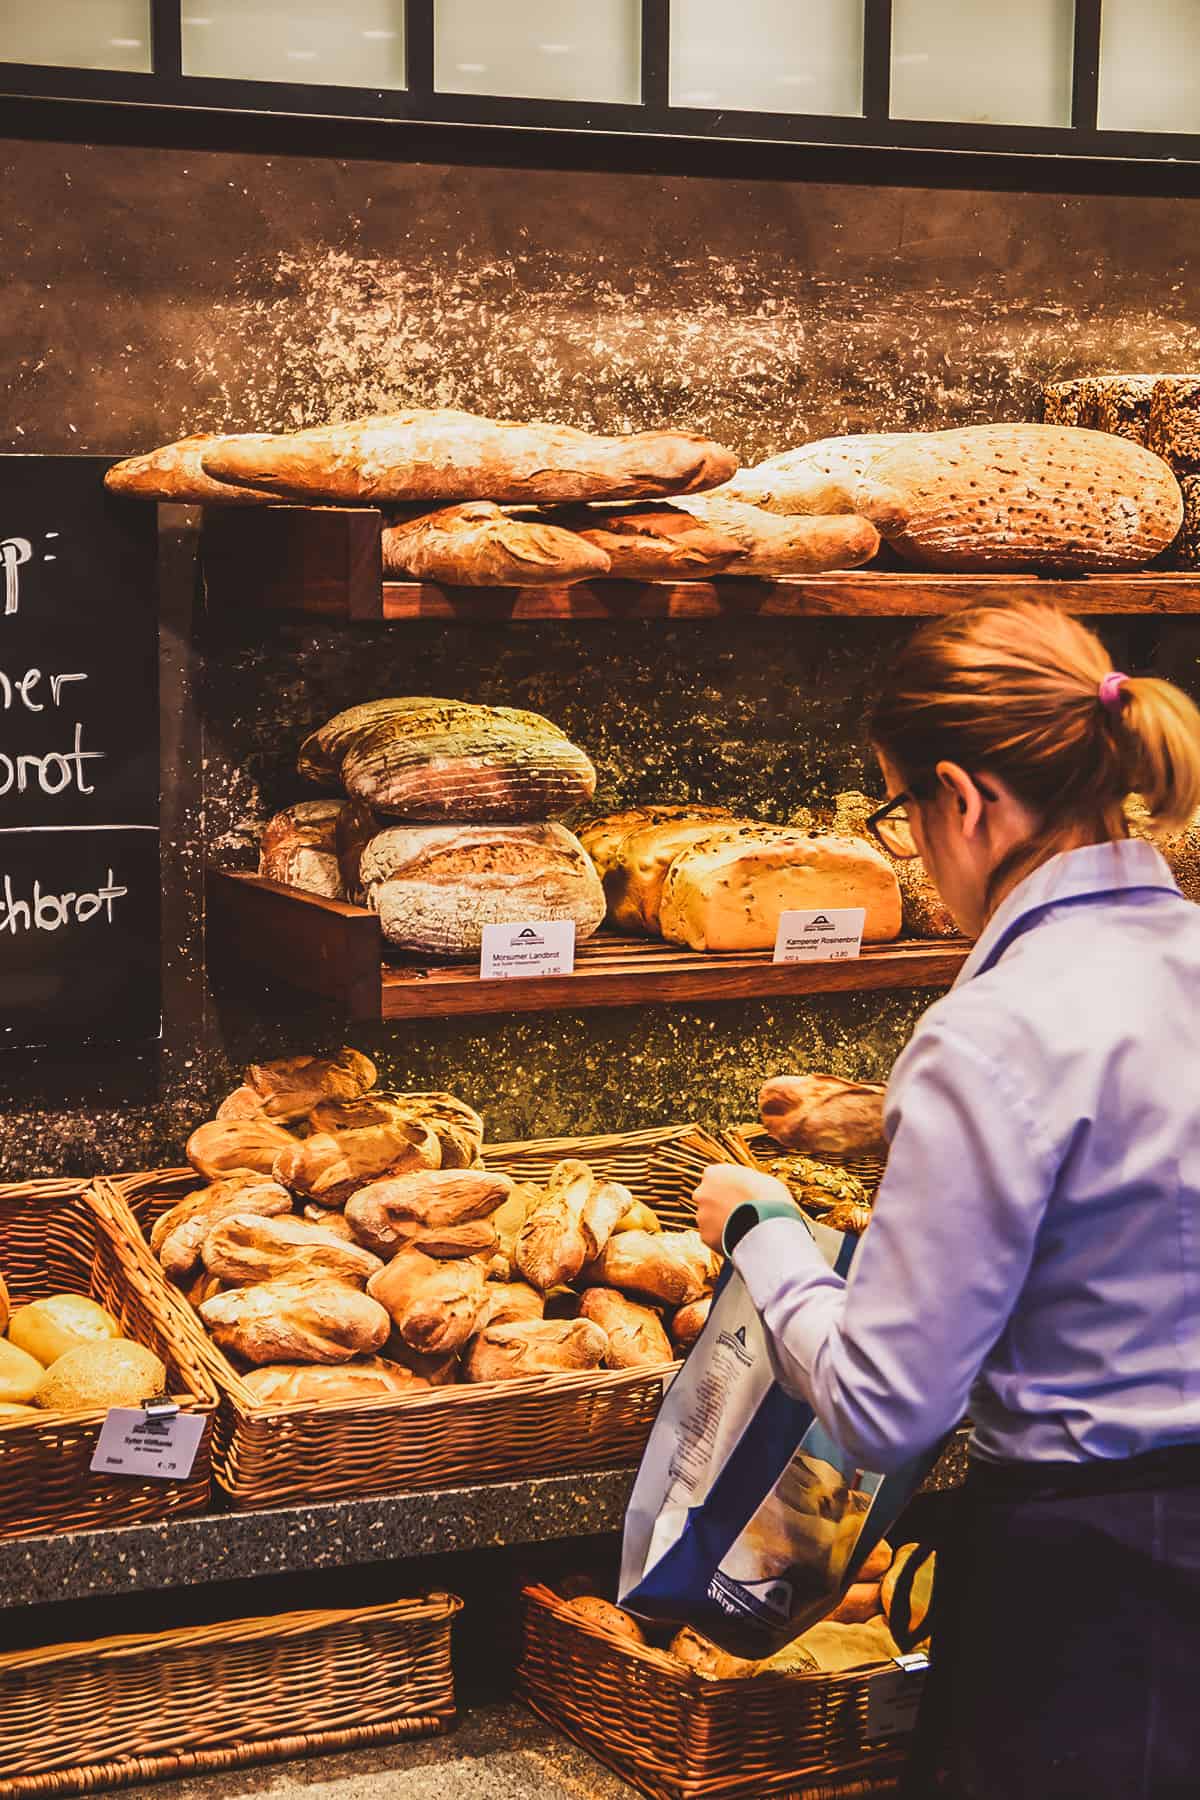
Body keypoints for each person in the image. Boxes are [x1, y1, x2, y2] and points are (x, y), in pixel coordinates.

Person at [692, 599, 1200, 1800]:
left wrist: (763, 1229)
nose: (915, 843)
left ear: (963, 799)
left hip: (1102, 1579)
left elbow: (885, 1407)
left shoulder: (988, 1037)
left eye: (901, 808)